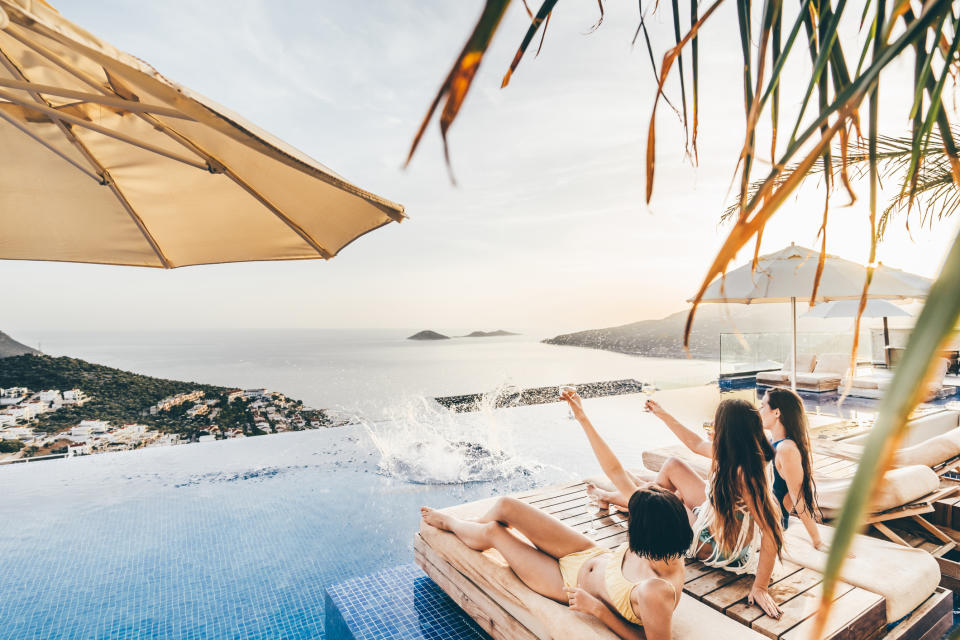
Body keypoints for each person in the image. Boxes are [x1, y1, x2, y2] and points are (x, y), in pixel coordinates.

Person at [421, 392, 694, 640]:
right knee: (506, 506)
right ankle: (473, 527)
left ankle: (453, 524)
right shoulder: (664, 529)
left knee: (495, 532)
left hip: (565, 583)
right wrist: (582, 417)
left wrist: (598, 610)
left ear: (646, 533)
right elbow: (615, 470)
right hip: (585, 552)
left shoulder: (656, 591)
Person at [582, 395, 785, 619]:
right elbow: (695, 443)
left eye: (717, 421)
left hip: (715, 546)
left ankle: (611, 497)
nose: (713, 425)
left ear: (729, 430)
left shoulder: (745, 474)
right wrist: (662, 414)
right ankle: (629, 499)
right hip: (711, 519)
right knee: (673, 466)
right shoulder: (737, 451)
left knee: (667, 502)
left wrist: (760, 587)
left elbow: (772, 531)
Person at [759, 387, 826, 550]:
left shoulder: (786, 449)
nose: (759, 410)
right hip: (759, 518)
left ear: (776, 413)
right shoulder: (771, 442)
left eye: (762, 406)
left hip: (766, 527)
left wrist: (817, 541)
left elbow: (798, 497)